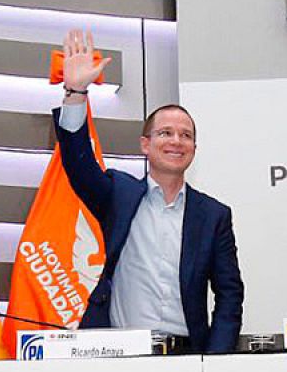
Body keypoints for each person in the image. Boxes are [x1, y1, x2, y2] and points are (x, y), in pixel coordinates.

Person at [52, 28, 244, 353]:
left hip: (188, 357)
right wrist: (76, 93)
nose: (176, 141)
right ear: (145, 144)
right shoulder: (119, 194)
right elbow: (77, 163)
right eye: (165, 133)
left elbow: (229, 294)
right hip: (119, 354)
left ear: (194, 148)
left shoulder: (214, 216)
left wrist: (215, 360)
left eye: (185, 135)